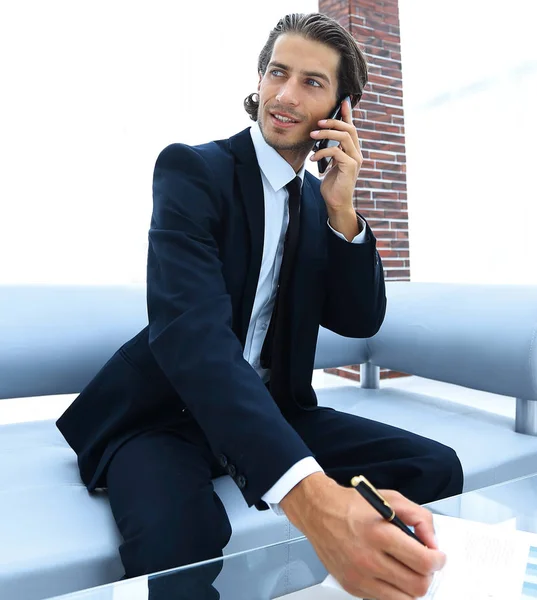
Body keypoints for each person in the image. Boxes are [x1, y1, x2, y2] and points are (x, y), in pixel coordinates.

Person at [57, 12, 463, 600]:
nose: (286, 95)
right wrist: (307, 492)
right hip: (166, 417)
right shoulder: (194, 171)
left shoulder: (315, 200)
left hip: (276, 407)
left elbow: (358, 319)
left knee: (435, 468)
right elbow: (190, 338)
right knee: (179, 543)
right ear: (259, 78)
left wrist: (342, 211)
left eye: (312, 83)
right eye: (278, 73)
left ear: (340, 109)